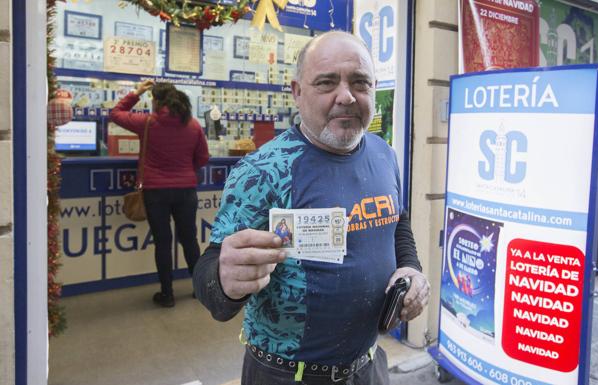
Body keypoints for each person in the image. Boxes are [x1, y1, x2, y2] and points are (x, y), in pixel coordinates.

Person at [193, 31, 430, 384]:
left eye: (360, 83)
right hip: (286, 375)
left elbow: (398, 223)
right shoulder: (261, 171)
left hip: (368, 366)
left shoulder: (384, 154)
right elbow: (211, 277)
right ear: (296, 91)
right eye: (326, 82)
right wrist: (225, 281)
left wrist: (410, 269)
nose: (346, 96)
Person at [111, 80, 209, 307]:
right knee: (189, 239)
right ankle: (199, 289)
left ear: (156, 101)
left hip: (156, 192)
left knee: (163, 243)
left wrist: (136, 93)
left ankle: (167, 294)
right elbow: (203, 158)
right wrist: (185, 168)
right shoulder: (193, 125)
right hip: (186, 191)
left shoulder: (147, 123)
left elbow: (116, 113)